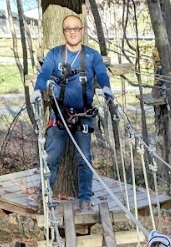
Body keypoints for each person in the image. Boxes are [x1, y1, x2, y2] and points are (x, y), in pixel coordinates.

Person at [32, 15, 114, 212]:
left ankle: (85, 197)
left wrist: (107, 88)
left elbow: (102, 73)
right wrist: (37, 89)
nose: (73, 32)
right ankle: (45, 196)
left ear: (82, 30)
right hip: (58, 115)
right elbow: (44, 74)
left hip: (83, 115)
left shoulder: (92, 56)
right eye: (68, 29)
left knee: (84, 158)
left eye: (76, 28)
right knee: (51, 158)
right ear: (64, 32)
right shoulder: (54, 55)